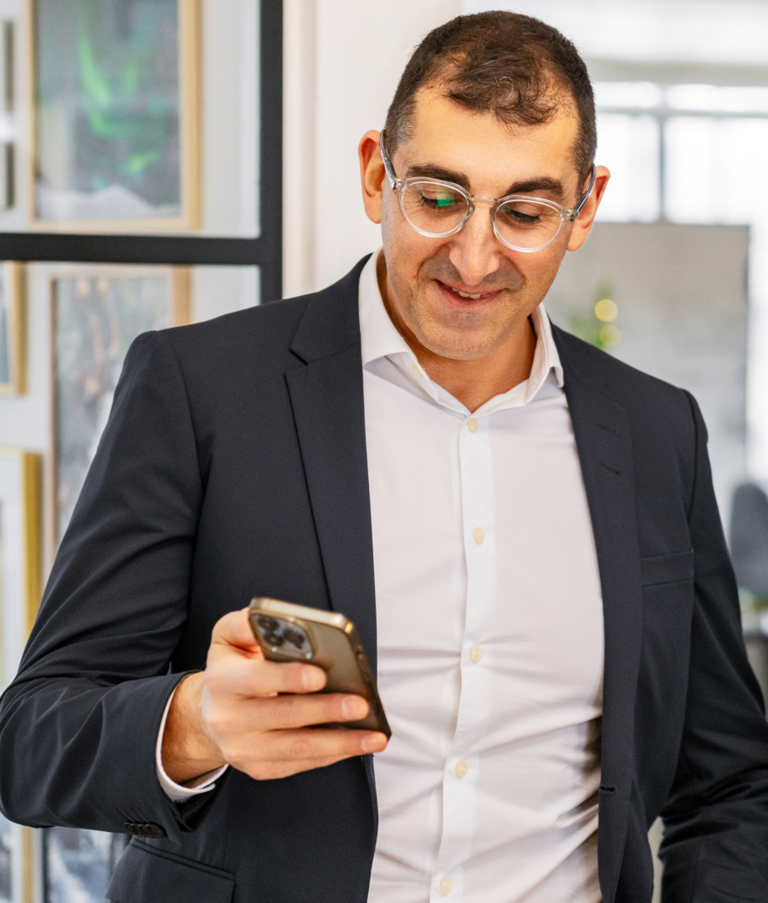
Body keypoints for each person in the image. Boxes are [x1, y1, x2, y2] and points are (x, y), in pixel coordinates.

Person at [1, 11, 767, 903]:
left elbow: (731, 782)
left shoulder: (655, 430)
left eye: (525, 212)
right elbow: (31, 740)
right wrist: (194, 724)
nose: (475, 257)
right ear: (376, 173)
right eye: (438, 198)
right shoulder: (199, 388)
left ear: (585, 207)